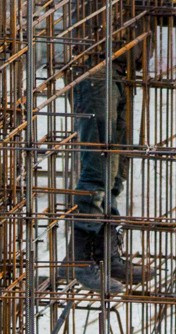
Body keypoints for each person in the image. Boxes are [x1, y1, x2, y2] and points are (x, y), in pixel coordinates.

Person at [64, 1, 159, 290]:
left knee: (116, 173)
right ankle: (81, 261)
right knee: (98, 168)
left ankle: (106, 252)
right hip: (94, 68)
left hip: (120, 70)